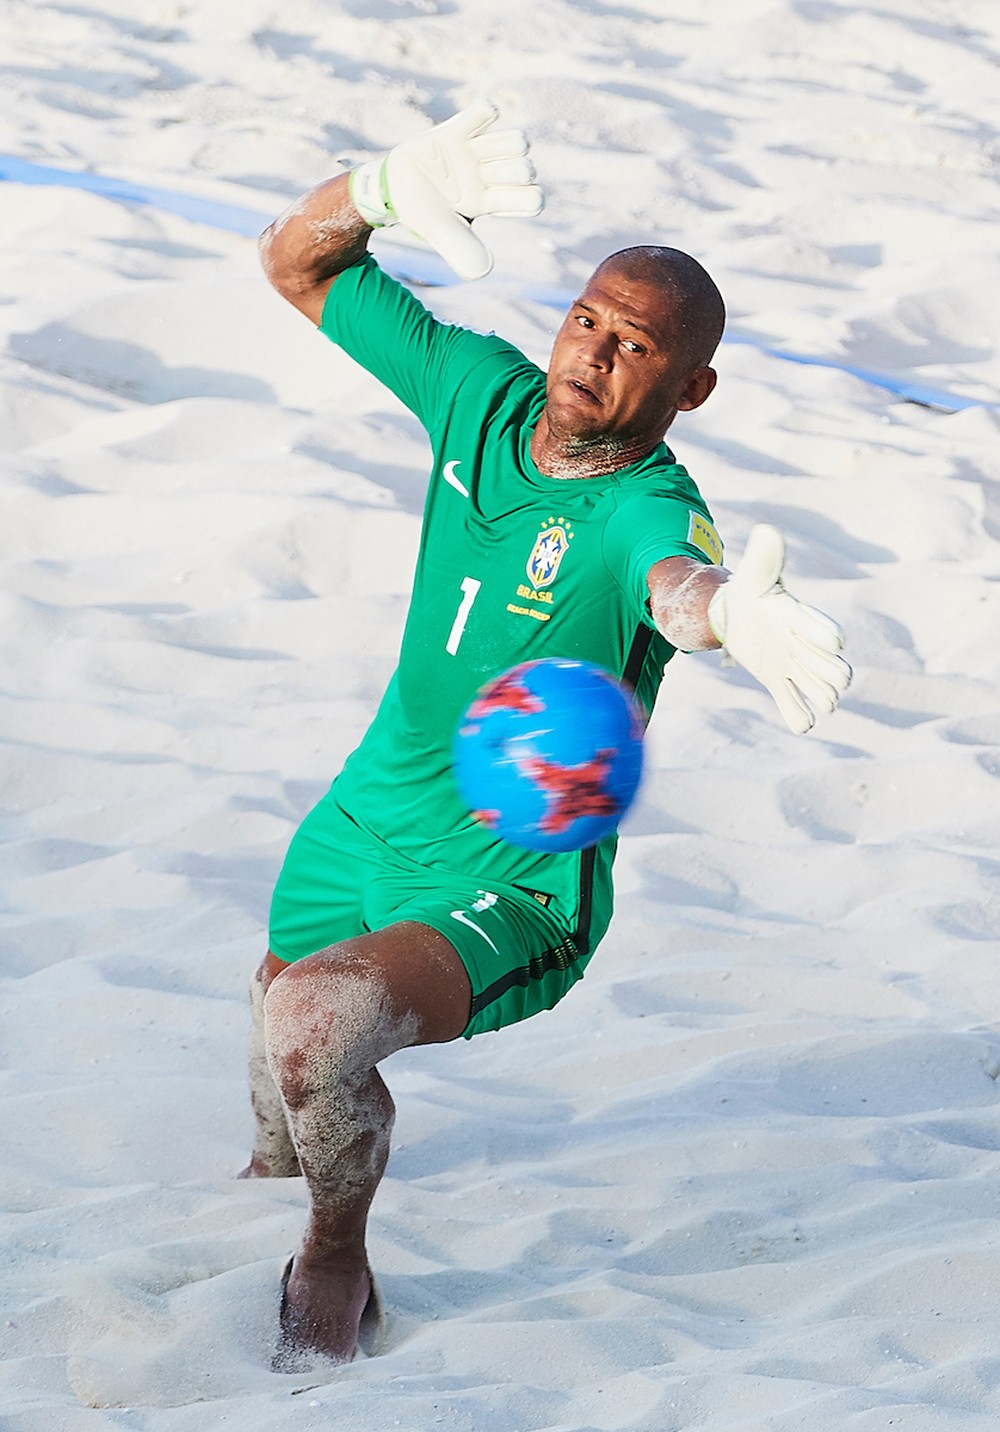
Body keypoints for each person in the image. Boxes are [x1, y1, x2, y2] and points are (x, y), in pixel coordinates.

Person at [240, 103, 851, 1369]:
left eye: (635, 348)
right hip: (371, 812)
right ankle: (251, 1186)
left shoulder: (647, 506)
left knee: (313, 1025)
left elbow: (676, 588)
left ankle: (335, 1257)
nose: (594, 354)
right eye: (586, 320)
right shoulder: (476, 391)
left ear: (690, 389)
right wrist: (381, 186)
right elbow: (297, 262)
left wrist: (727, 612)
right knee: (274, 1019)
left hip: (512, 882)